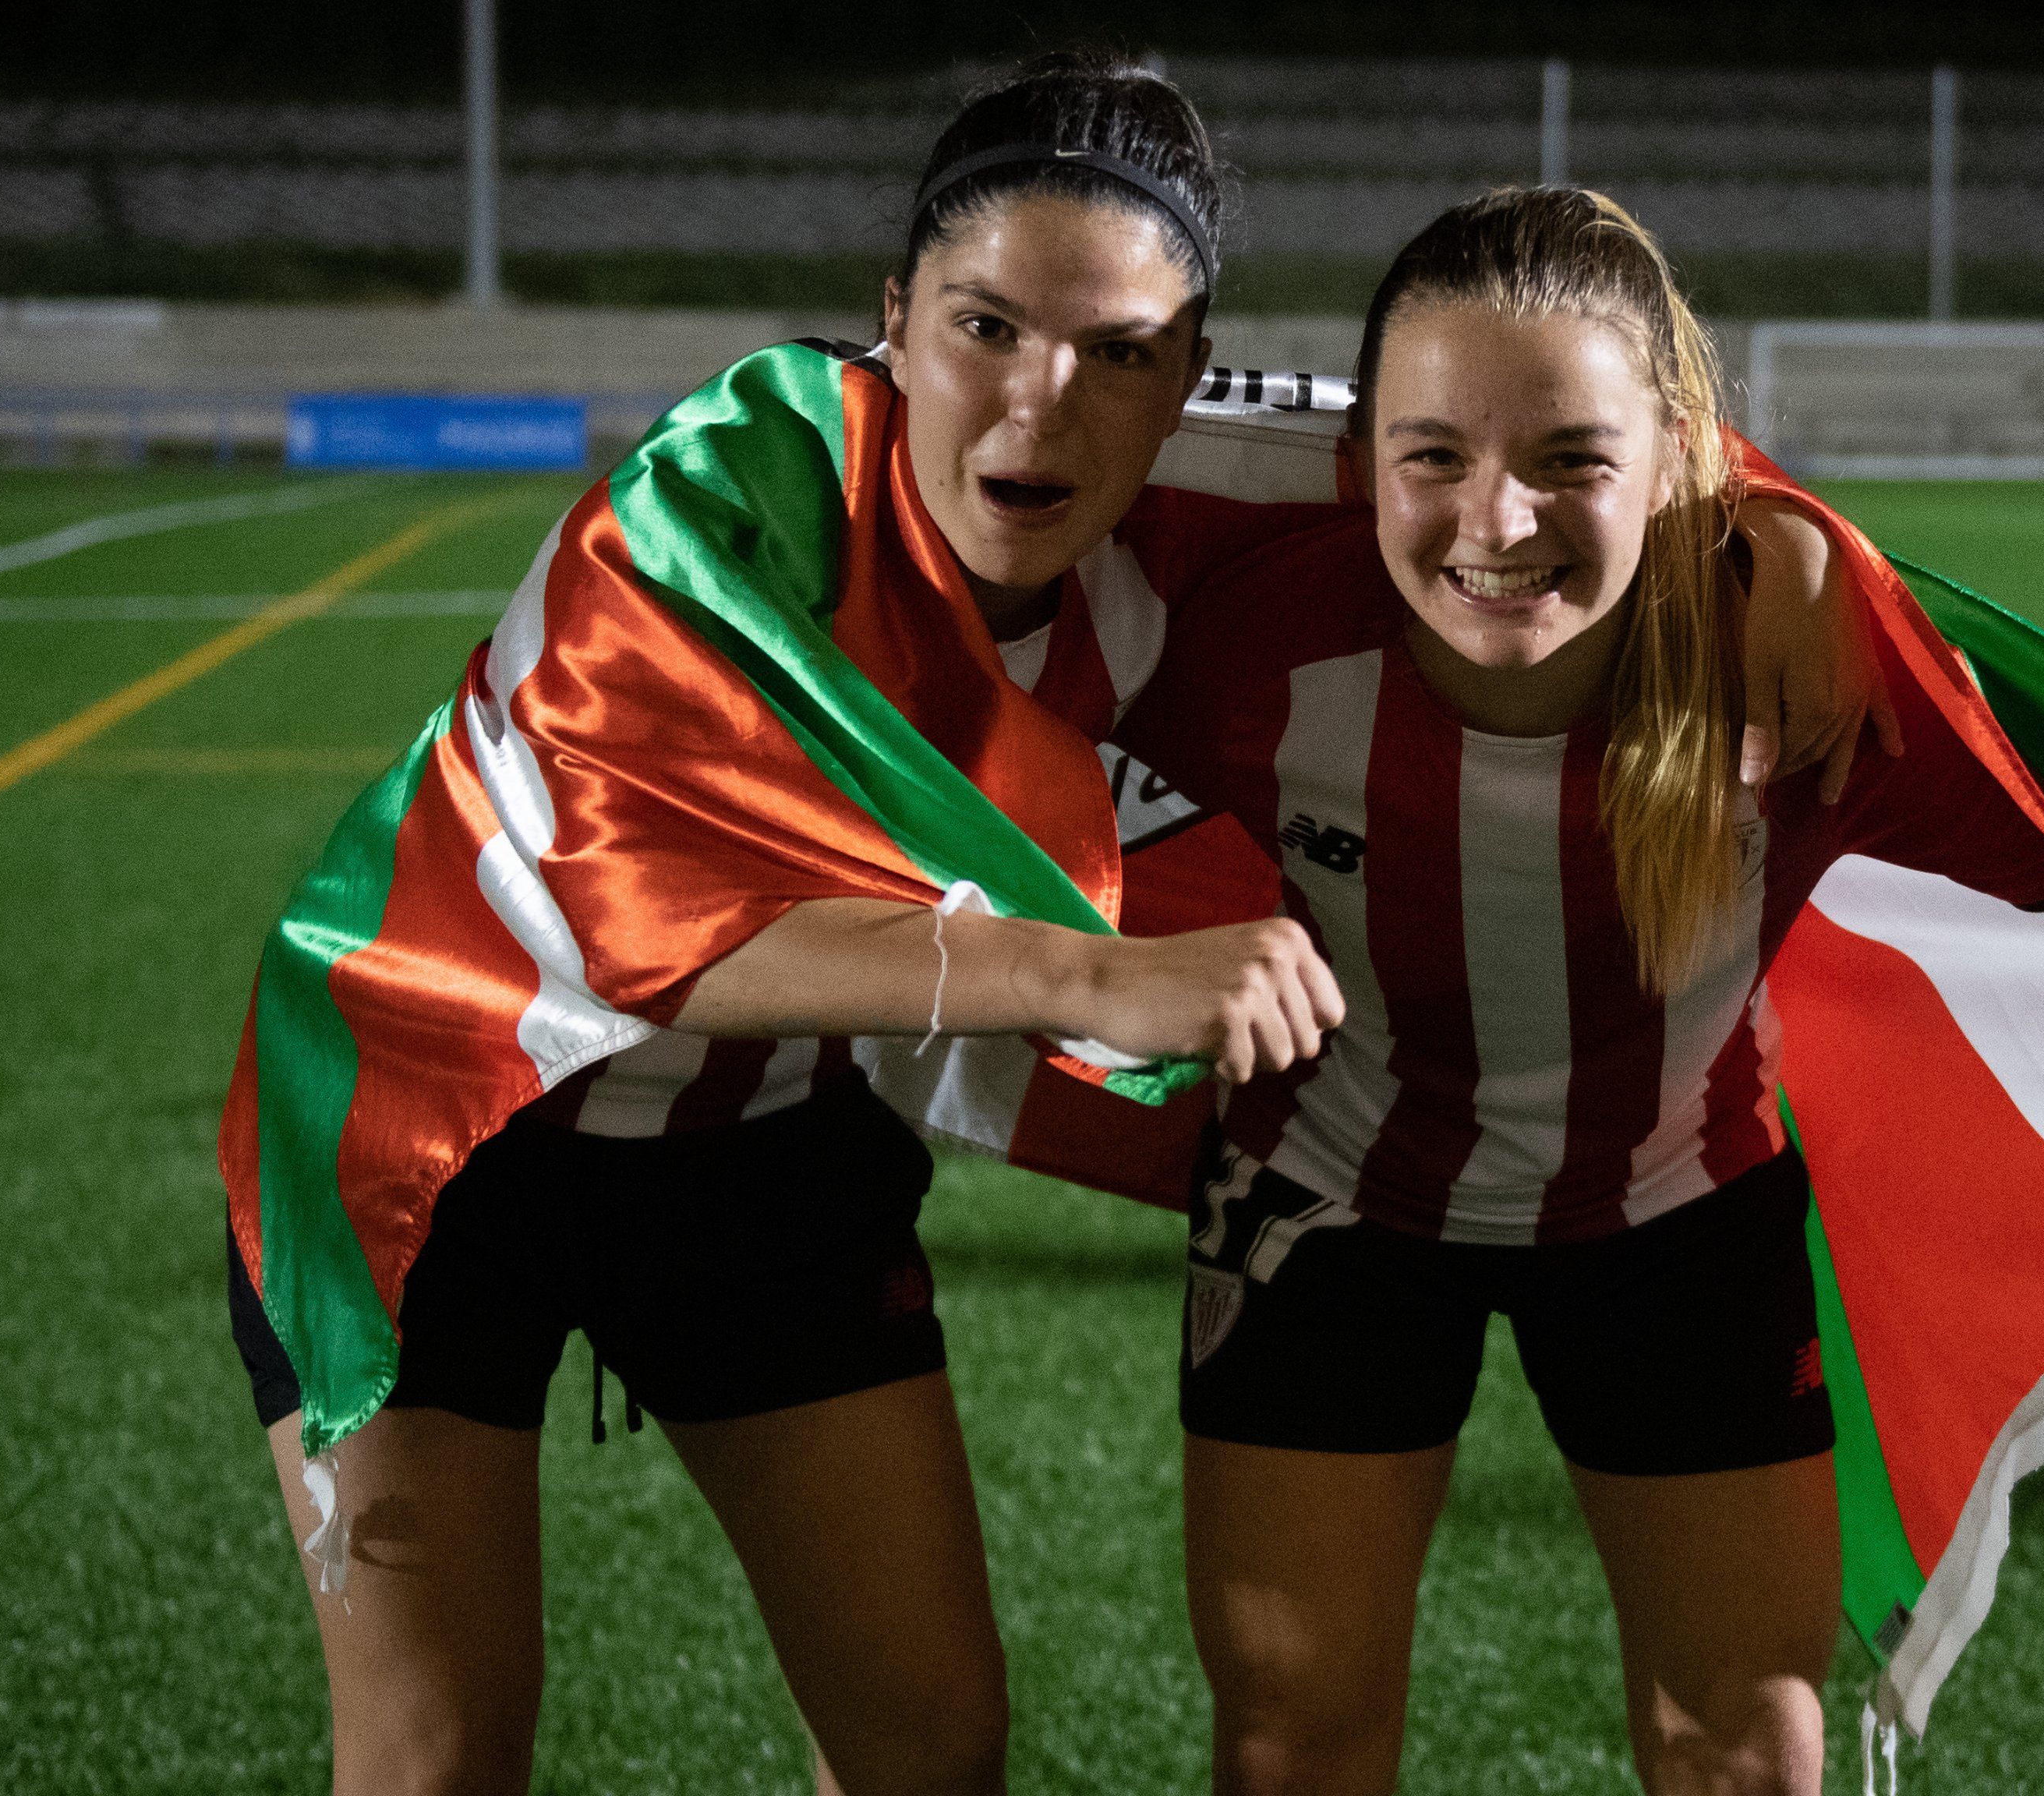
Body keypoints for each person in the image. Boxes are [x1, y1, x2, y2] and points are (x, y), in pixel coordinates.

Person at [224, 55, 1869, 1796]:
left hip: (761, 1147)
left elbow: (1550, 424)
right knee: (436, 1755)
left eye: (1120, 354)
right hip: (426, 1132)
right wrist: (1085, 980)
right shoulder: (727, 497)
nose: (1038, 405)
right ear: (891, 322)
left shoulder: (1207, 485)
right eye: (983, 328)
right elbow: (620, 915)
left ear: (1188, 374)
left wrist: (1785, 538)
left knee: (934, 1748)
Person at [1114, 187, 2044, 1796]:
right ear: (1356, 450)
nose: (1493, 521)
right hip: (1324, 1215)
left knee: (1743, 1750)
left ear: (1678, 459)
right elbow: (930, 611)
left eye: (1571, 461)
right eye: (1431, 454)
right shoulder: (1232, 629)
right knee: (1290, 1742)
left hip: (1677, 1220)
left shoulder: (1794, 655)